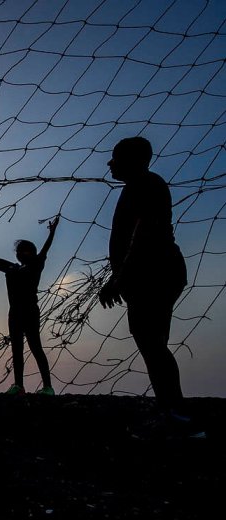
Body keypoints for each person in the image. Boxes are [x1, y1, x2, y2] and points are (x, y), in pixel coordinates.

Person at [98, 136, 203, 438]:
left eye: (116, 157)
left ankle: (177, 417)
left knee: (153, 345)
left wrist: (119, 279)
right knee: (152, 344)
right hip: (150, 275)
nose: (110, 163)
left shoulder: (147, 185)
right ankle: (172, 413)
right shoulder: (138, 186)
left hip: (156, 274)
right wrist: (117, 277)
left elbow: (143, 235)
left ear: (136, 160)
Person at [0, 217, 59, 396]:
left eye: (27, 250)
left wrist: (52, 232)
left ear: (33, 252)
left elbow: (46, 249)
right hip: (14, 313)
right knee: (16, 349)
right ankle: (18, 386)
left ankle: (48, 387)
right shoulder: (12, 268)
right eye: (20, 251)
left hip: (30, 311)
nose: (22, 253)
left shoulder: (36, 265)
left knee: (35, 347)